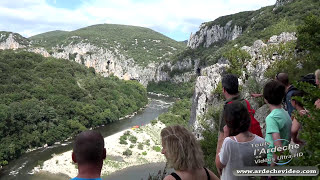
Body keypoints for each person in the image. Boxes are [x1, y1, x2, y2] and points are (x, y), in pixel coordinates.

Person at [216, 74, 262, 174]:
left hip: (234, 155)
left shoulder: (227, 108)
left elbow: (222, 136)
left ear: (224, 89)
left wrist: (218, 163)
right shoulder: (245, 102)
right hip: (251, 150)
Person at [216, 101, 266, 180]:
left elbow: (219, 164)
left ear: (229, 123)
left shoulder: (229, 142)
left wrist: (224, 137)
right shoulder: (261, 142)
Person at [263, 80, 292, 166]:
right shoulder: (285, 113)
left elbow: (278, 148)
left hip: (274, 162)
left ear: (266, 99)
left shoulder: (271, 118)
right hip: (285, 159)